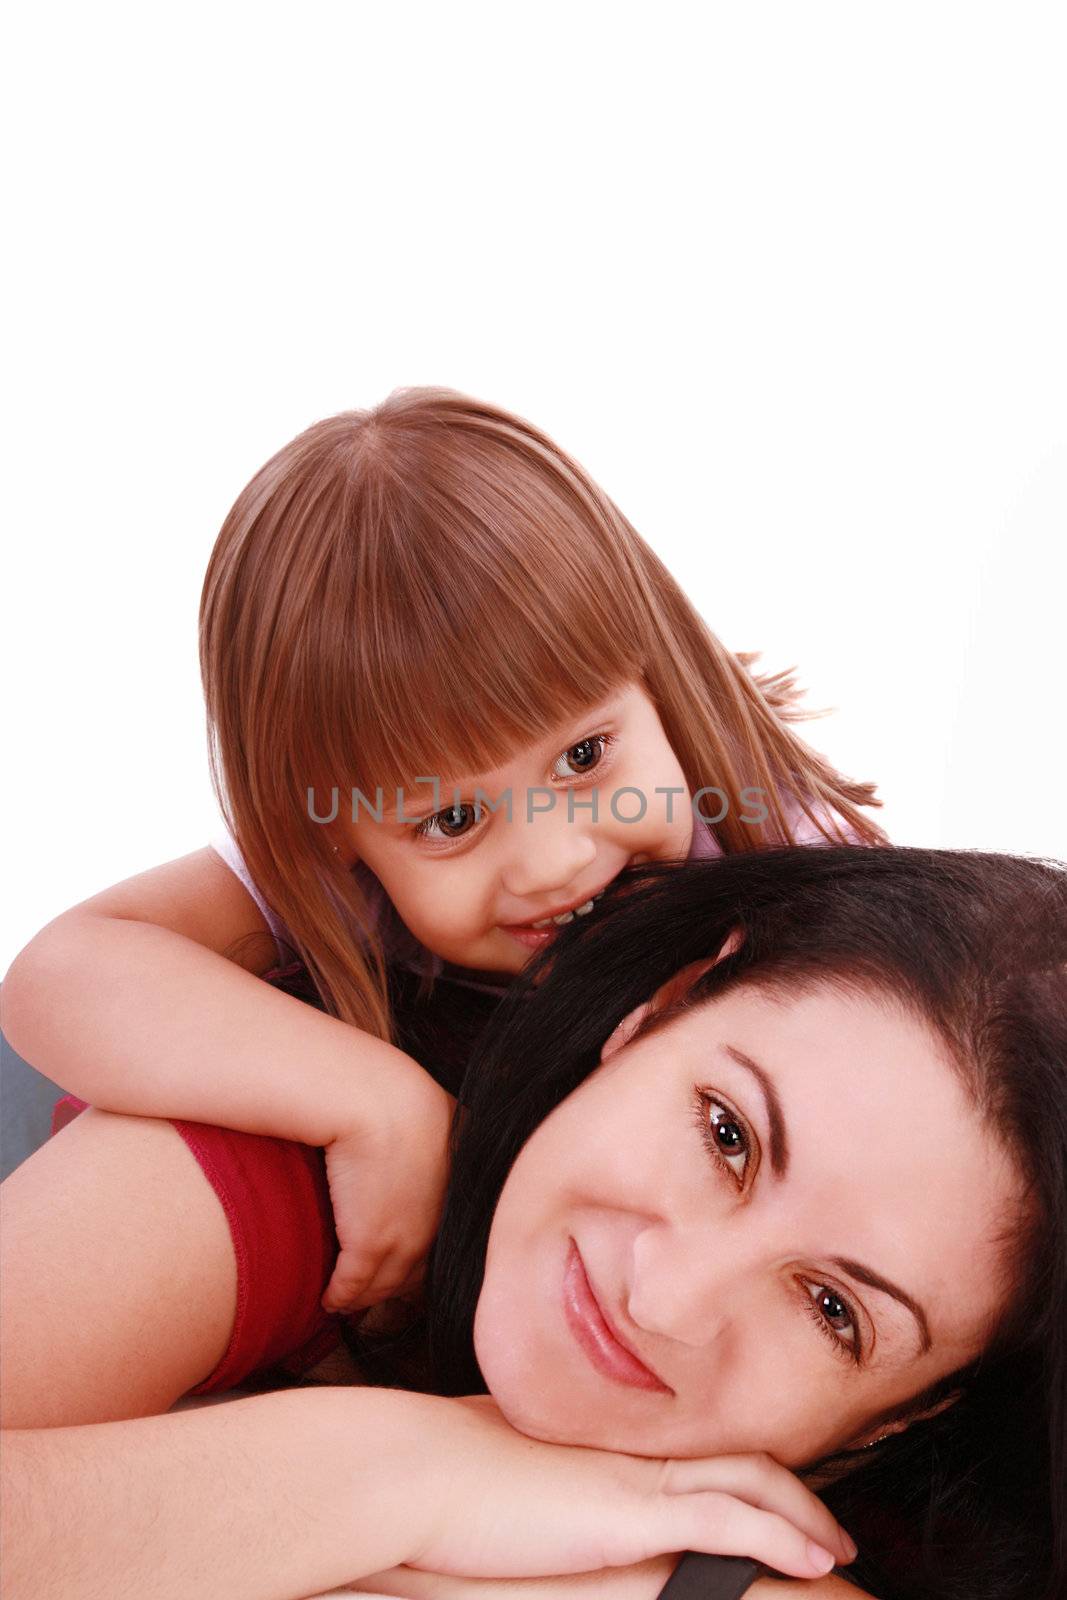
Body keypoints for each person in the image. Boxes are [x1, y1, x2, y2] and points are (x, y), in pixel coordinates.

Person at [0, 387, 884, 1318]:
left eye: (584, 757)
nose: (554, 858)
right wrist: (378, 1105)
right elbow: (55, 977)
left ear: (650, 670)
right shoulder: (345, 868)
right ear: (331, 834)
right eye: (452, 821)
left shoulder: (796, 875)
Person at [3, 847, 1063, 1600]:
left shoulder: (887, 1514)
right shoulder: (281, 1154)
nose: (663, 1297)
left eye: (833, 1308)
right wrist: (401, 1476)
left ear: (905, 1417)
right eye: (725, 1135)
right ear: (660, 1006)